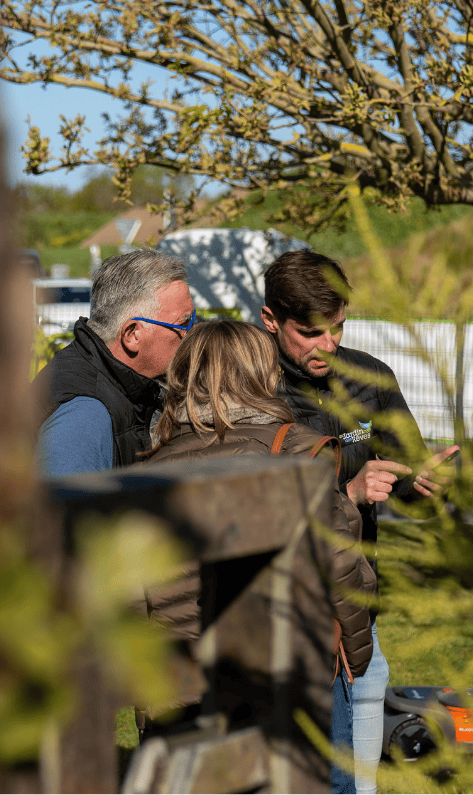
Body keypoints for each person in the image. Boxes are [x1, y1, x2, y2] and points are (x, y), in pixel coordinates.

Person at [142, 319, 377, 793]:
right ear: (264, 377)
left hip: (181, 690)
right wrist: (355, 656)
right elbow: (345, 572)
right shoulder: (296, 455)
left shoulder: (146, 473)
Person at [261, 249, 458, 795]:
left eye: (338, 328)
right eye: (310, 332)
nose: (328, 346)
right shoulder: (251, 388)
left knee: (358, 759)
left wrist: (426, 486)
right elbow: (254, 501)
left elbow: (406, 476)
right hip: (278, 606)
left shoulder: (370, 377)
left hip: (355, 599)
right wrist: (345, 493)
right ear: (270, 320)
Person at [34, 249, 194, 477]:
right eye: (183, 324)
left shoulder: (115, 382)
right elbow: (63, 508)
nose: (191, 335)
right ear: (132, 335)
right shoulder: (85, 416)